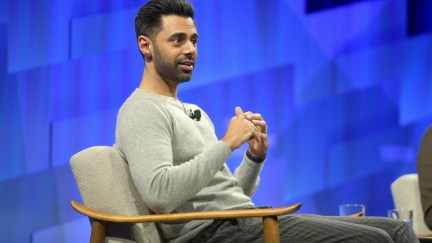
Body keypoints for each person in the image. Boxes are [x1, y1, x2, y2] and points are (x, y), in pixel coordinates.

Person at [114, 0, 419, 242]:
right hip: (213, 234)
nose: (190, 49)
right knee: (373, 239)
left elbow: (233, 195)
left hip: (243, 220)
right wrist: (226, 144)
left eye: (193, 39)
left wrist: (253, 156)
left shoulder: (191, 110)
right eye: (177, 40)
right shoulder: (142, 110)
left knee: (398, 231)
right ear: (146, 45)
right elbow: (159, 195)